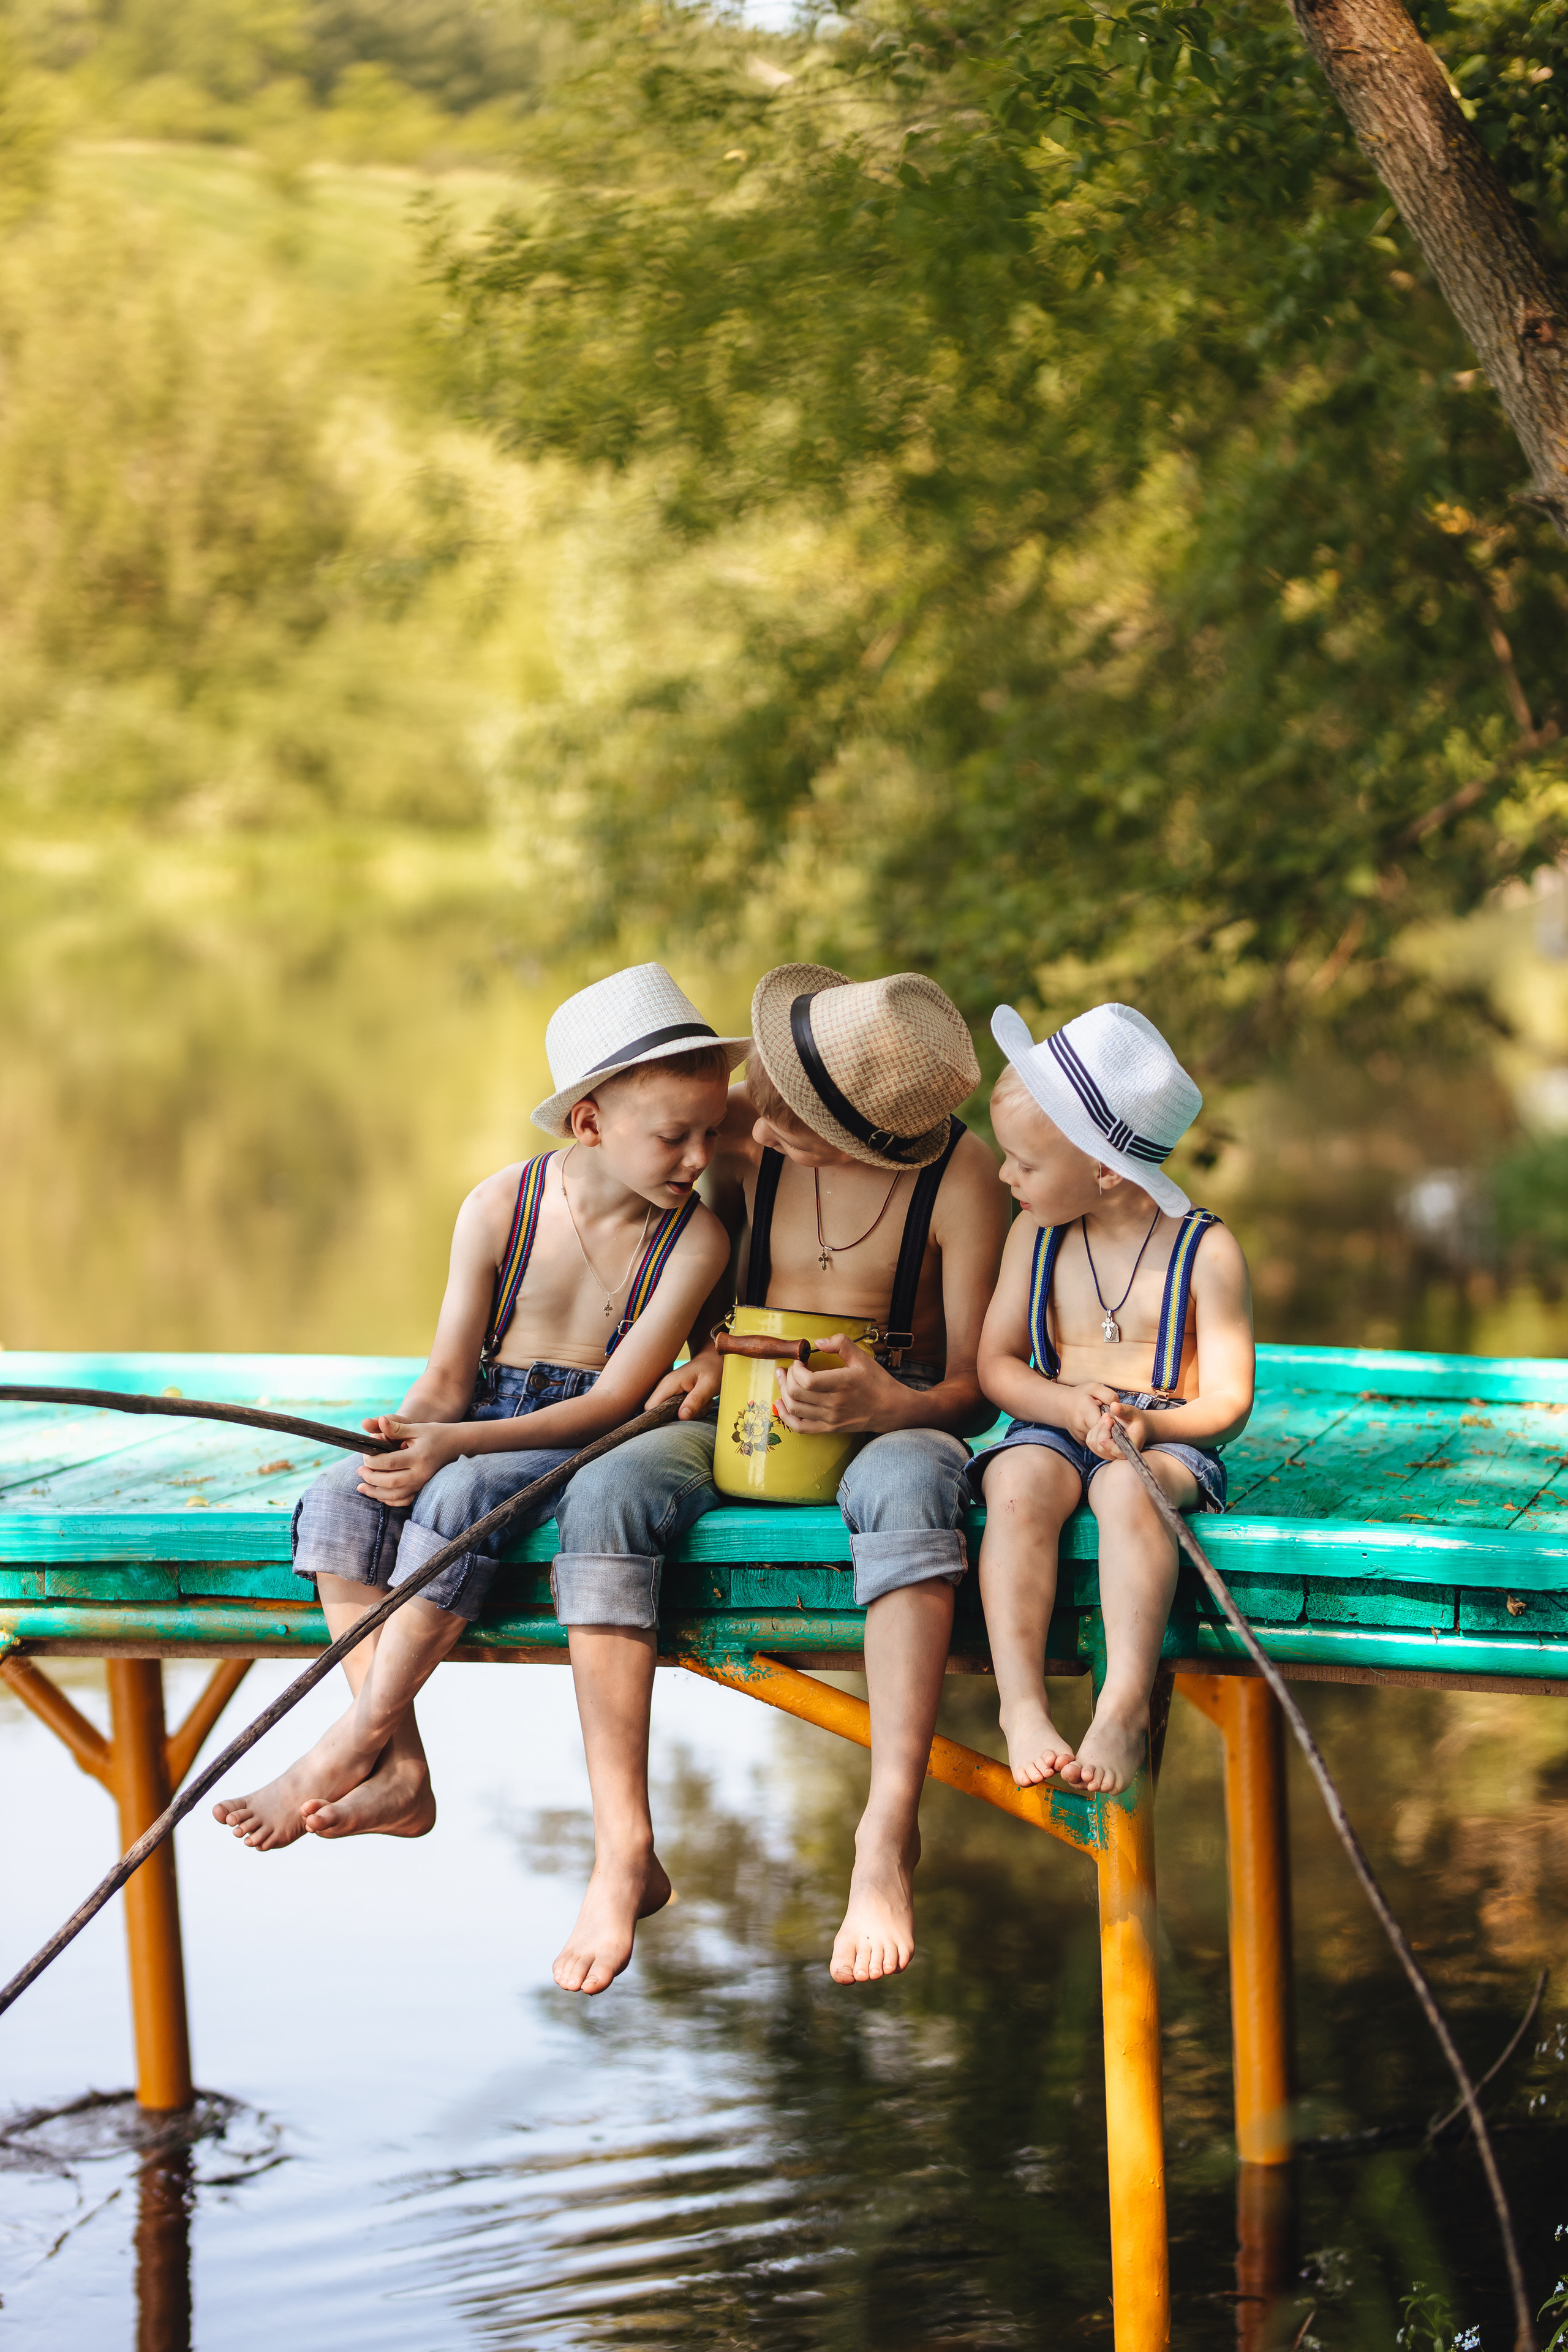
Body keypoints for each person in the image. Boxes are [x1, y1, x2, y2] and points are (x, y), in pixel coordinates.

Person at [213, 965, 745, 1993]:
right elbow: (452, 1375)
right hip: (483, 1413)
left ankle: (351, 1737)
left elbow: (615, 1403)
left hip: (579, 1428)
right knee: (340, 1499)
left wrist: (457, 1452)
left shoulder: (695, 1239)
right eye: (671, 1137)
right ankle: (404, 1770)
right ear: (588, 1124)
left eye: (711, 1135)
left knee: (455, 1500)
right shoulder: (503, 1203)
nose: (698, 1159)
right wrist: (413, 1429)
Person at [556, 965, 1009, 1990]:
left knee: (911, 1489)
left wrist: (891, 1405)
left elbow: (976, 1390)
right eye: (766, 1105)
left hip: (894, 1419)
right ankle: (623, 1843)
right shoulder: (739, 1133)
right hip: (742, 1413)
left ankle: (886, 1832)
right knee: (607, 1494)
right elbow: (690, 1276)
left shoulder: (961, 1180)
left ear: (867, 1140)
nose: (758, 1134)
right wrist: (710, 1356)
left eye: (793, 1127)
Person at [971, 1001, 1254, 1796]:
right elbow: (996, 1364)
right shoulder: (1036, 1234)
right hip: (1056, 1417)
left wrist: (1151, 1421)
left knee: (1131, 1488)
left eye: (1022, 1163)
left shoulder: (1207, 1251)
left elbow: (1229, 1401)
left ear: (1102, 1167)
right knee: (1017, 1486)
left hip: (1163, 1433)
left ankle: (1125, 1702)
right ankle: (1019, 1702)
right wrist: (1062, 1407)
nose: (1004, 1176)